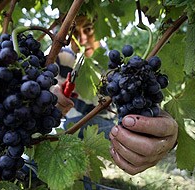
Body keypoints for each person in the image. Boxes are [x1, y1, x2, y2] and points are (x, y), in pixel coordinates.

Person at [53, 15, 178, 175]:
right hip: (67, 127)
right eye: (75, 34)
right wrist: (48, 93)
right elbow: (42, 80)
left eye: (88, 30)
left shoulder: (115, 64)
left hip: (105, 126)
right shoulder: (60, 55)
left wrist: (159, 133)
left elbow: (138, 103)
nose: (83, 39)